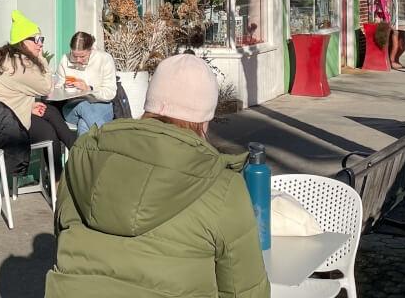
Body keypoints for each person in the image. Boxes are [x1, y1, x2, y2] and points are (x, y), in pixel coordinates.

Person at [46, 54, 268, 298]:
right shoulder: (224, 188)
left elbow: (63, 239)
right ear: (205, 120)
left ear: (149, 104)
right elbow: (245, 290)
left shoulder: (82, 160)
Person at [0, 11, 76, 172]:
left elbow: (9, 92)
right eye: (37, 39)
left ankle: (75, 152)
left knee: (49, 112)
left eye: (42, 39)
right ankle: (61, 178)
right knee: (49, 133)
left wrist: (29, 105)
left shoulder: (5, 58)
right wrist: (41, 59)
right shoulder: (20, 65)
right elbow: (46, 87)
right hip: (3, 129)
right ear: (22, 41)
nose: (41, 44)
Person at [55, 32, 117, 134]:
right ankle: (109, 139)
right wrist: (64, 88)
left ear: (91, 49)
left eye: (82, 56)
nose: (78, 60)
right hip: (72, 108)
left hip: (101, 106)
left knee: (84, 124)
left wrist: (89, 89)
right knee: (82, 104)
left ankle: (83, 150)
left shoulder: (104, 59)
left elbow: (110, 93)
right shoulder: (65, 60)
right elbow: (56, 91)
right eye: (74, 56)